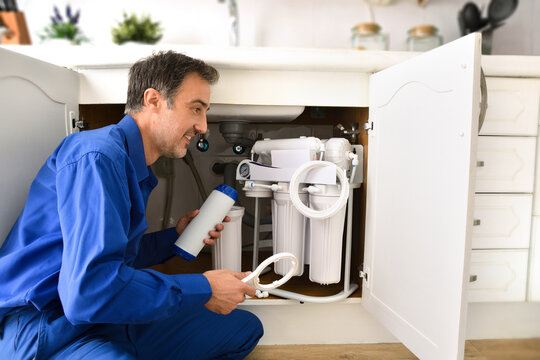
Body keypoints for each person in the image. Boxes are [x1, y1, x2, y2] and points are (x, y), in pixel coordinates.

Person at [0, 51, 263, 359]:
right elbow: (87, 291)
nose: (203, 126)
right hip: (44, 326)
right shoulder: (97, 158)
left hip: (100, 315)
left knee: (243, 329)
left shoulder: (131, 166)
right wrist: (203, 288)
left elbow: (111, 260)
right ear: (153, 100)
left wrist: (173, 239)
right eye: (196, 109)